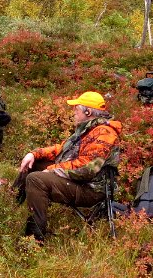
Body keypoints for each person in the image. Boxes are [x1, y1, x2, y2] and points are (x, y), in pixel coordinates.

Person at [16, 91, 122, 242]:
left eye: (76, 109)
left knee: (36, 179)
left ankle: (34, 238)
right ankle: (13, 202)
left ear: (88, 112)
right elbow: (61, 149)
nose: (74, 112)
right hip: (80, 180)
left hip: (91, 189)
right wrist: (34, 154)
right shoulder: (87, 128)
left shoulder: (104, 133)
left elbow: (87, 169)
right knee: (34, 164)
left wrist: (52, 170)